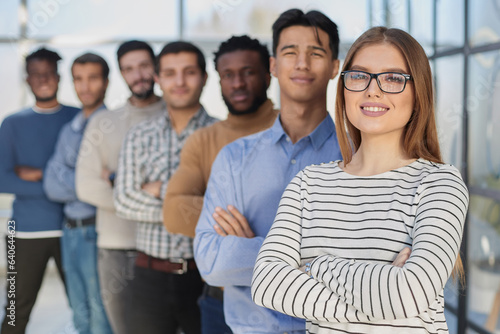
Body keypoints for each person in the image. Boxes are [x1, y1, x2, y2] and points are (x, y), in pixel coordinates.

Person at [251, 26, 469, 334]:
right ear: (343, 87)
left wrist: (318, 266)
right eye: (359, 76)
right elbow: (266, 284)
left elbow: (410, 293)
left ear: (418, 93)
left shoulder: (439, 183)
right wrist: (383, 296)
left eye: (393, 78)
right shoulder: (308, 184)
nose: (373, 90)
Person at [194, 9, 342, 334]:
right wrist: (319, 255)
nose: (302, 63)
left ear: (335, 67)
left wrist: (251, 249)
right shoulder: (234, 158)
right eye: (290, 52)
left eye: (316, 53)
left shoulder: (358, 156)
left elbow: (374, 262)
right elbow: (212, 263)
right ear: (273, 66)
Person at [163, 35, 278, 334]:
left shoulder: (290, 130)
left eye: (248, 72)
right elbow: (174, 210)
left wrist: (236, 228)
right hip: (218, 298)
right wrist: (261, 221)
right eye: (228, 75)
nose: (237, 83)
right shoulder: (203, 140)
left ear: (269, 74)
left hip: (284, 296)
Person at [114, 41, 217, 334]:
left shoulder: (223, 135)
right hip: (149, 277)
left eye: (189, 72)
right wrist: (193, 203)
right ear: (158, 79)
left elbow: (225, 209)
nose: (180, 82)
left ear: (205, 77)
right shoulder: (139, 135)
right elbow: (123, 201)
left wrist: (159, 189)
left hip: (206, 277)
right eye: (170, 73)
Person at [75, 40, 165, 334]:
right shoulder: (103, 123)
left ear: (156, 68)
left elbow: (185, 188)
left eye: (143, 66)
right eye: (129, 69)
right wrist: (147, 190)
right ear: (121, 75)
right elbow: (86, 186)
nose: (137, 75)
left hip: (170, 249)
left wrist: (117, 181)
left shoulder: (177, 117)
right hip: (116, 248)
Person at [0, 47, 79, 333]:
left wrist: (38, 175)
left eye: (49, 74)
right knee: (13, 310)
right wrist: (61, 183)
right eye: (36, 74)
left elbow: (86, 177)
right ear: (27, 80)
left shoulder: (77, 118)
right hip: (20, 233)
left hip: (72, 232)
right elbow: (3, 180)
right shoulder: (12, 123)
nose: (43, 79)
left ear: (58, 78)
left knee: (84, 307)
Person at [44, 52, 112, 334]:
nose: (85, 87)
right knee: (79, 312)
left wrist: (71, 179)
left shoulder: (112, 125)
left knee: (100, 314)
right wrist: (89, 181)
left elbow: (112, 186)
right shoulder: (67, 131)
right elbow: (51, 184)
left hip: (97, 232)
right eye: (78, 80)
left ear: (106, 82)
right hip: (69, 231)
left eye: (93, 78)